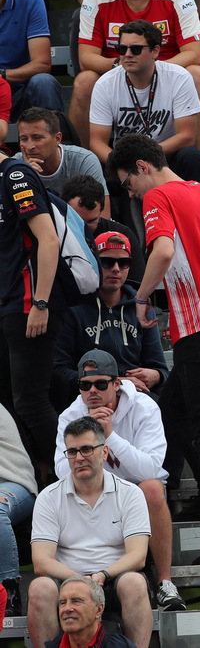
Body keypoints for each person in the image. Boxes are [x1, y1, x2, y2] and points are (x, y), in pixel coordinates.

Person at [107, 133, 200, 565]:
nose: (130, 193)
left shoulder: (159, 198)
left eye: (128, 184)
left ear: (142, 167)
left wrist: (141, 297)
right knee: (170, 411)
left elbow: (164, 252)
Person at [53, 351, 181, 612]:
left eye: (101, 384)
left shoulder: (144, 407)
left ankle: (165, 582)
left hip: (136, 490)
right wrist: (92, 443)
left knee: (154, 489)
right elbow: (59, 468)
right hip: (93, 490)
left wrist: (109, 436)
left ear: (116, 383)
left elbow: (151, 468)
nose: (92, 391)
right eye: (85, 385)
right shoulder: (71, 415)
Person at [74, 0, 200, 151]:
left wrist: (151, 68)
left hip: (167, 76)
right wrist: (125, 66)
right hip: (116, 76)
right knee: (84, 82)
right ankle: (88, 164)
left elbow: (194, 53)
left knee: (199, 76)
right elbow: (86, 58)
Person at [27, 416, 151, 648]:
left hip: (114, 578)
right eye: (72, 452)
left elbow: (138, 556)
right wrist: (77, 579)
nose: (79, 458)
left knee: (134, 583)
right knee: (39, 587)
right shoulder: (49, 497)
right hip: (67, 579)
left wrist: (103, 574)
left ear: (104, 452)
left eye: (86, 449)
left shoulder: (130, 493)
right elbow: (41, 561)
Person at [0, 139, 68, 473]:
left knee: (31, 403)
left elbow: (49, 238)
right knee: (12, 404)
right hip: (9, 306)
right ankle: (36, 483)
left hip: (30, 304)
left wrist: (40, 302)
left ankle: (83, 473)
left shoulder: (15, 174)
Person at [87, 20, 200, 191]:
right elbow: (97, 142)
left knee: (191, 156)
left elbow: (187, 137)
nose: (127, 54)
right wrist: (125, 162)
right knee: (100, 169)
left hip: (165, 157)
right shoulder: (105, 84)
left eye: (136, 49)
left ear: (155, 51)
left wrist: (143, 157)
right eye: (122, 49)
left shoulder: (178, 77)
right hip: (124, 162)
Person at [52, 232, 168, 405]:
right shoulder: (73, 307)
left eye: (123, 263)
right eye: (107, 262)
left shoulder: (142, 306)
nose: (116, 268)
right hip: (87, 398)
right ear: (93, 262)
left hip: (136, 399)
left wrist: (156, 375)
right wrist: (115, 382)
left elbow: (160, 367)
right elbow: (59, 371)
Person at [0, 0, 63, 117]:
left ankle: (53, 141)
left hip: (19, 93)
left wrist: (2, 76)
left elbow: (42, 64)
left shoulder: (30, 0)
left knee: (44, 82)